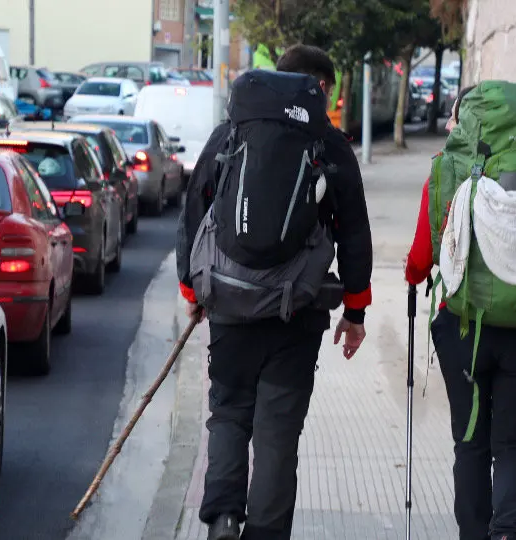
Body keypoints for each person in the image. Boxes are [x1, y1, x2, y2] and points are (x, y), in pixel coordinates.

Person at [176, 44, 373, 540]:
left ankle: (222, 518)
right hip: (297, 312)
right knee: (277, 435)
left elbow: (195, 206)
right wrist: (355, 311)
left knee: (228, 413)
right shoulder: (330, 146)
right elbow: (353, 230)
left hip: (229, 303)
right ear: (320, 88)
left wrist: (191, 288)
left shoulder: (232, 133)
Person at [405, 84, 516, 540]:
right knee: (514, 444)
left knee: (470, 441)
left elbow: (420, 261)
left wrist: (414, 279)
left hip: (462, 329)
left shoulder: (448, 171)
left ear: (467, 122)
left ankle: (474, 533)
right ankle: (511, 532)